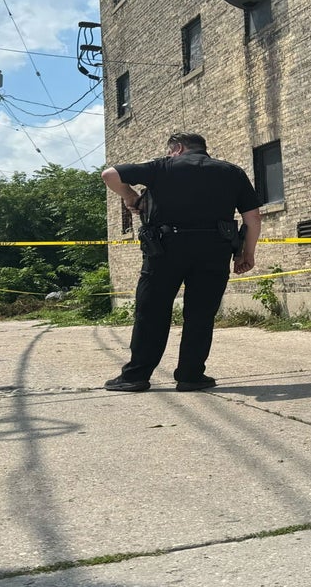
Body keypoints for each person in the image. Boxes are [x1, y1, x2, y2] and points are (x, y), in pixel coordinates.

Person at [101, 132, 261, 392]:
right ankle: (191, 375)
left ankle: (135, 376)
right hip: (214, 249)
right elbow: (253, 217)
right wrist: (247, 254)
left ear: (176, 148)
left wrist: (130, 197)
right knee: (201, 314)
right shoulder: (231, 172)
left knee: (151, 312)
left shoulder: (160, 167)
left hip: (164, 250)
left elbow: (110, 175)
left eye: (169, 151)